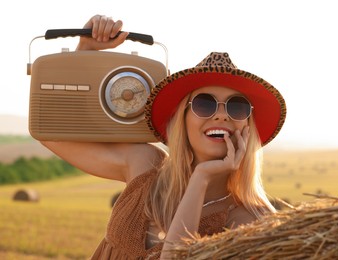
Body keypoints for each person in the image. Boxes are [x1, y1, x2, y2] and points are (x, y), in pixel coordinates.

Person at [41, 15, 287, 259]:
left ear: (248, 126)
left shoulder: (251, 220)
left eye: (237, 107)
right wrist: (85, 54)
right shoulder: (145, 165)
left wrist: (200, 178)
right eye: (204, 104)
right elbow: (49, 131)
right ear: (183, 117)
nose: (222, 115)